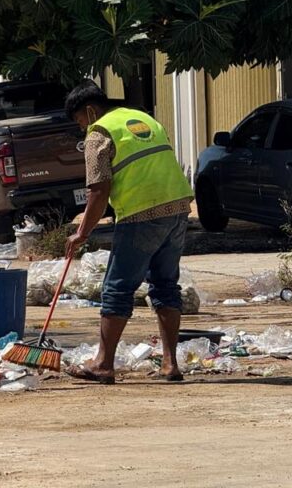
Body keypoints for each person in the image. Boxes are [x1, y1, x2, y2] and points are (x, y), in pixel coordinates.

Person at [63, 81, 194, 383]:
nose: (82, 129)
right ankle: (170, 364)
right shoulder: (143, 118)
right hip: (177, 208)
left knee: (117, 288)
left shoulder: (100, 132)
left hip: (141, 212)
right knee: (165, 285)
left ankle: (103, 364)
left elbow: (98, 190)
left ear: (90, 110)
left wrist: (82, 232)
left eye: (80, 121)